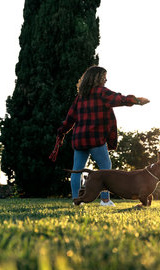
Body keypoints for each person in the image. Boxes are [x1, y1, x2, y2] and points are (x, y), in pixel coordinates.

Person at [55, 66, 149, 206]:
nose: (106, 79)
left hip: (80, 139)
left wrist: (61, 132)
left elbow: (70, 119)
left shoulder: (80, 97)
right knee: (106, 169)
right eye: (104, 76)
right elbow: (119, 99)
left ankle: (76, 201)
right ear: (97, 78)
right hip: (95, 139)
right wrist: (137, 101)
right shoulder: (101, 92)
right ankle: (105, 200)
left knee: (77, 170)